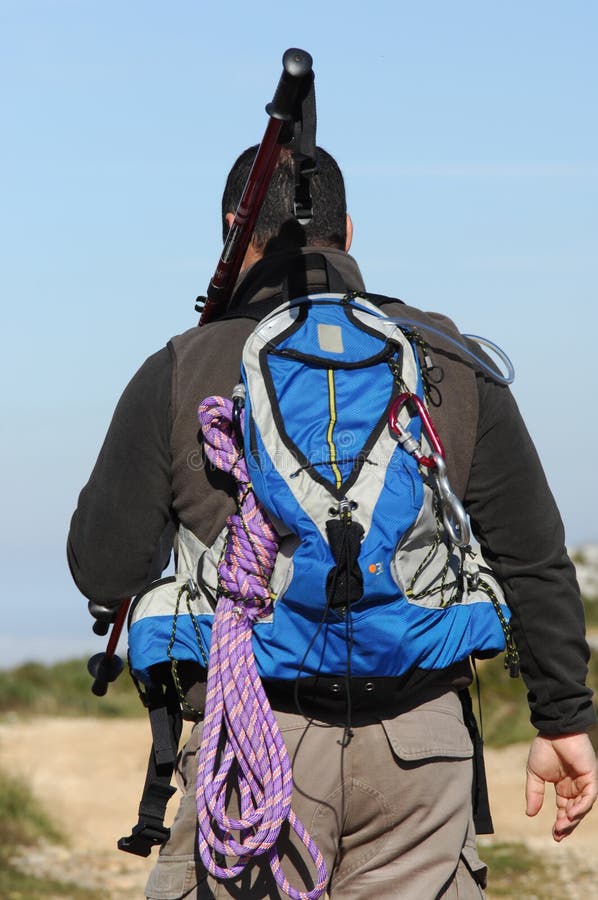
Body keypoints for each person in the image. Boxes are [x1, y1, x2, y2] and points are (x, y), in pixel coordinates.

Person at [68, 144, 597, 900]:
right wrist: (563, 720)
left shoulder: (183, 367)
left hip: (252, 751)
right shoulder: (446, 358)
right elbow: (535, 555)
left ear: (232, 229)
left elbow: (105, 568)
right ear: (349, 232)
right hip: (424, 752)